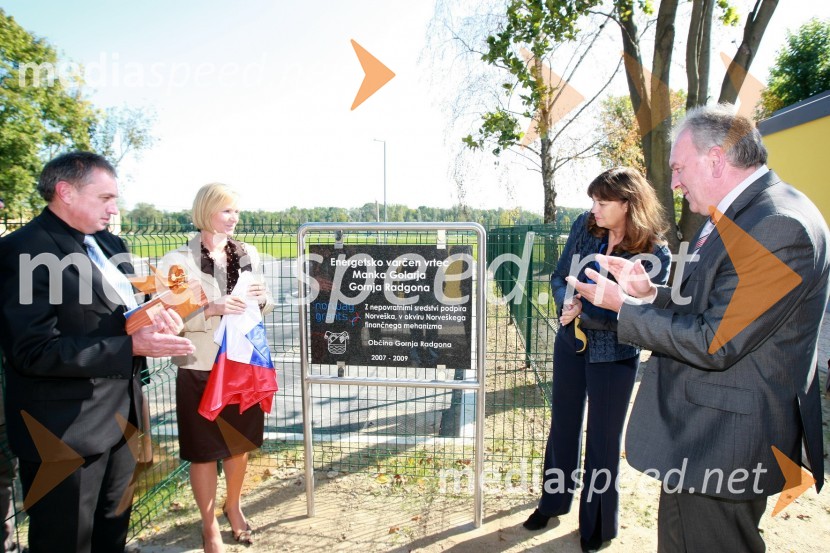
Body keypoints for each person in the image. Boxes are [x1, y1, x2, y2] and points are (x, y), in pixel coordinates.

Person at [570, 104, 828, 552]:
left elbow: (715, 341)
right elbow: (720, 307)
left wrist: (623, 308)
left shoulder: (775, 225)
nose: (672, 182)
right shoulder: (751, 213)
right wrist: (651, 294)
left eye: (677, 167)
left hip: (723, 441)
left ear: (714, 159)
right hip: (708, 435)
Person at [0, 151, 194, 553]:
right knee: (66, 541)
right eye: (105, 198)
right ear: (65, 192)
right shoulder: (23, 250)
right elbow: (33, 351)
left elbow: (120, 313)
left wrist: (154, 318)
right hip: (63, 433)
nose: (114, 208)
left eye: (115, 198)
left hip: (122, 421)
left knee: (112, 531)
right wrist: (130, 346)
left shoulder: (109, 243)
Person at [523, 167, 671, 551]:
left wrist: (591, 307)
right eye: (593, 201)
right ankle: (553, 501)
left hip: (616, 354)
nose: (595, 209)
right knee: (563, 427)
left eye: (603, 202)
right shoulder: (584, 226)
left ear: (628, 204)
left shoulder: (656, 252)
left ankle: (598, 524)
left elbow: (643, 314)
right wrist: (566, 301)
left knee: (604, 441)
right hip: (570, 344)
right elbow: (559, 276)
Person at [165, 183, 273, 553]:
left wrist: (262, 300)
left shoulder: (248, 253)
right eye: (227, 211)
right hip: (200, 366)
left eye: (237, 212)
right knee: (203, 450)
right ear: (206, 211)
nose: (234, 218)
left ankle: (234, 506)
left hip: (243, 364)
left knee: (238, 446)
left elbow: (263, 302)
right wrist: (210, 309)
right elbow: (168, 317)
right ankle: (209, 525)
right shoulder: (177, 261)